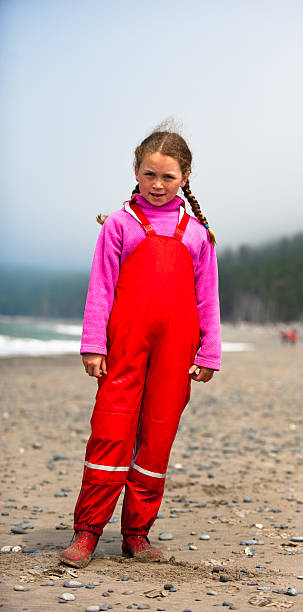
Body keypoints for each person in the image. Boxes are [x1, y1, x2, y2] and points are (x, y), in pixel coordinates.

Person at [60, 129, 221, 568]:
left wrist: (209, 353)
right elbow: (101, 288)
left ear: (185, 177)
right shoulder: (120, 223)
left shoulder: (198, 235)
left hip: (177, 349)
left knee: (157, 439)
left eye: (168, 176)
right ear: (136, 172)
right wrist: (93, 345)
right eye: (149, 173)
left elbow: (208, 298)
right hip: (124, 347)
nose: (157, 183)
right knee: (110, 432)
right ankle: (87, 532)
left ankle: (136, 534)